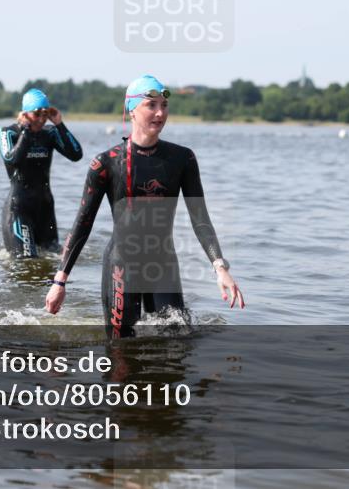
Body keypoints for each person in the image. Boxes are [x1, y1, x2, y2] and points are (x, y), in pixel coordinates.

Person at [44, 74, 245, 338]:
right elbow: (83, 224)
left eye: (164, 105)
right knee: (121, 356)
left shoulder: (182, 159)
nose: (160, 113)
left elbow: (200, 219)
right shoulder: (106, 163)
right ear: (131, 110)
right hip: (121, 267)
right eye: (151, 105)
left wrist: (220, 267)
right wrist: (60, 281)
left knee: (175, 348)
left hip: (164, 266)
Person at [0, 89, 83, 258]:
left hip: (45, 209)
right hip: (19, 209)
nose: (42, 120)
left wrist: (59, 124)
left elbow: (76, 155)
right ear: (25, 114)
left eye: (45, 114)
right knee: (25, 261)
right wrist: (26, 130)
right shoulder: (8, 133)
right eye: (37, 114)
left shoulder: (49, 134)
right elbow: (12, 160)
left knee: (53, 259)